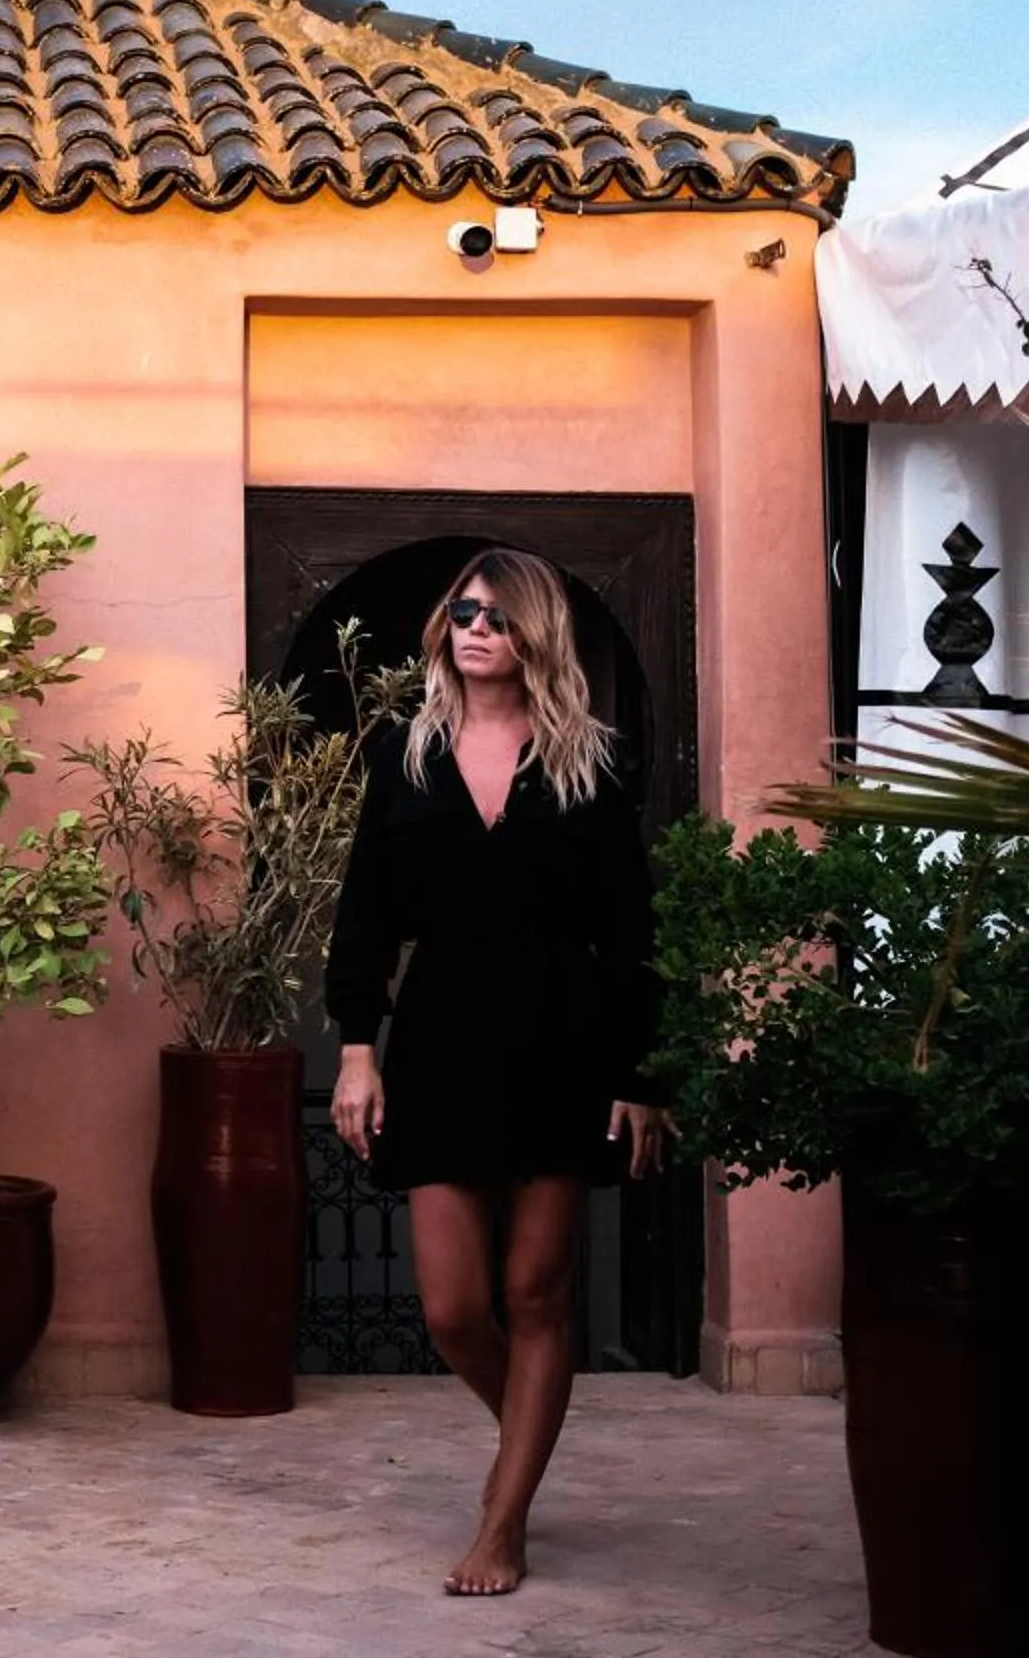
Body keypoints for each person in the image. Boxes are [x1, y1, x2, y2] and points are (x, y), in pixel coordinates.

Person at [322, 546, 672, 1598]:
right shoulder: (405, 754)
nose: (477, 628)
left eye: (499, 616)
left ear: (535, 635)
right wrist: (356, 1051)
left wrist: (642, 1075)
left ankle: (504, 1518)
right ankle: (529, 1427)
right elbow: (364, 913)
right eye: (465, 611)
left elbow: (632, 932)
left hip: (564, 1037)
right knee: (453, 1308)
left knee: (534, 1291)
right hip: (439, 1040)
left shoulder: (590, 762)